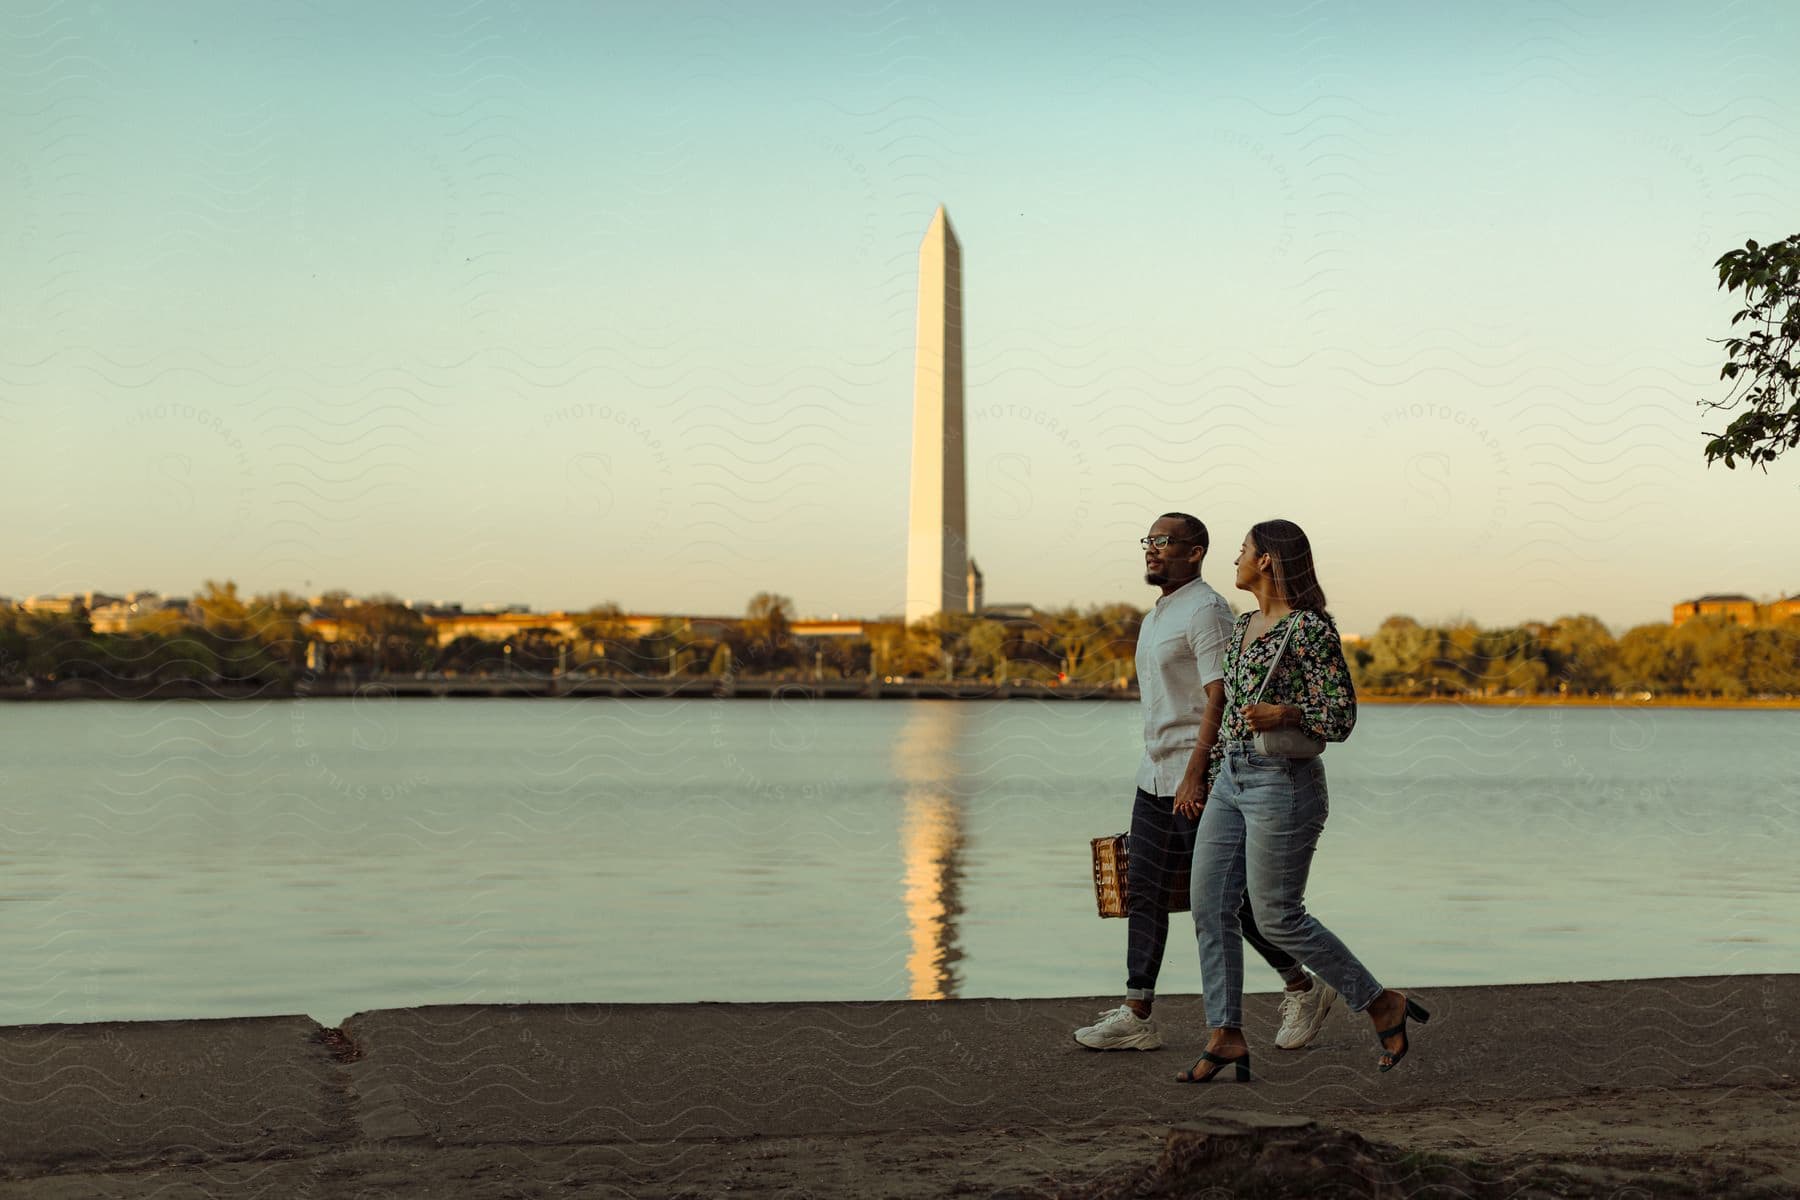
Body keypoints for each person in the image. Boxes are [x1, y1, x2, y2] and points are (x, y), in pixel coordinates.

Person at [1074, 513, 1339, 1053]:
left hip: (1203, 778)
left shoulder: (1210, 611)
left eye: (1164, 541)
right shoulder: (1157, 616)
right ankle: (1136, 1014)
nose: (1152, 549)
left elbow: (1222, 697)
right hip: (1154, 775)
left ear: (1194, 552)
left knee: (1227, 902)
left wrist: (1197, 774)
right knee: (1143, 891)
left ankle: (1301, 986)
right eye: (1148, 540)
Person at [1177, 519, 1428, 1084]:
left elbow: (1340, 717)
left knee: (1277, 917)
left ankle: (1379, 1002)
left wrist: (1287, 714)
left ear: (1266, 561)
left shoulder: (1310, 631)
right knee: (1209, 907)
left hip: (1283, 783)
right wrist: (1205, 777)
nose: (1235, 559)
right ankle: (1225, 1034)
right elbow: (1228, 715)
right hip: (1231, 778)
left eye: (1242, 551)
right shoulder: (1242, 626)